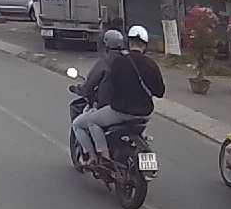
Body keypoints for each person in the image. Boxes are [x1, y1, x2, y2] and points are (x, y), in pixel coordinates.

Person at [70, 25, 165, 164]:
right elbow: (160, 92)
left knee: (89, 121)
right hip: (145, 115)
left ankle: (102, 157)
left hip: (122, 112)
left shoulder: (119, 62)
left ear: (129, 42)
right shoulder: (152, 64)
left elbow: (110, 88)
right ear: (145, 45)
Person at [77, 29, 125, 108]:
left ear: (106, 44)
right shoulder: (128, 59)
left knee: (82, 116)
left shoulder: (105, 61)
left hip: (107, 107)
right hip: (127, 106)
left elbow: (89, 84)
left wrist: (79, 89)